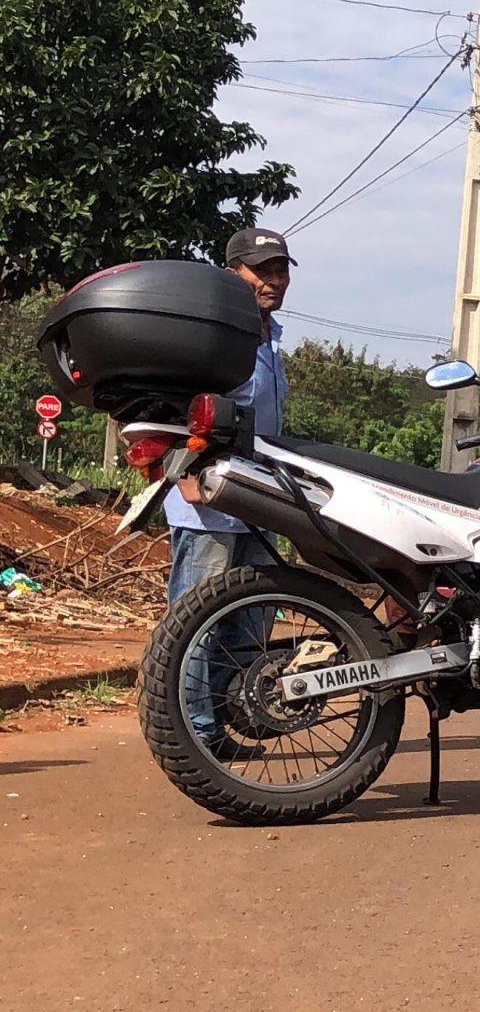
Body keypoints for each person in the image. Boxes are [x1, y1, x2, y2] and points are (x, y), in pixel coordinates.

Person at [164, 227, 293, 761]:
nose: (273, 281)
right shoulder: (215, 332)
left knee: (254, 618)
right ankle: (192, 732)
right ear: (232, 274)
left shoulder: (271, 337)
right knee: (198, 621)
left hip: (262, 499)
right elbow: (174, 405)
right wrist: (183, 475)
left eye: (281, 270)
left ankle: (225, 715)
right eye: (261, 270)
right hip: (209, 501)